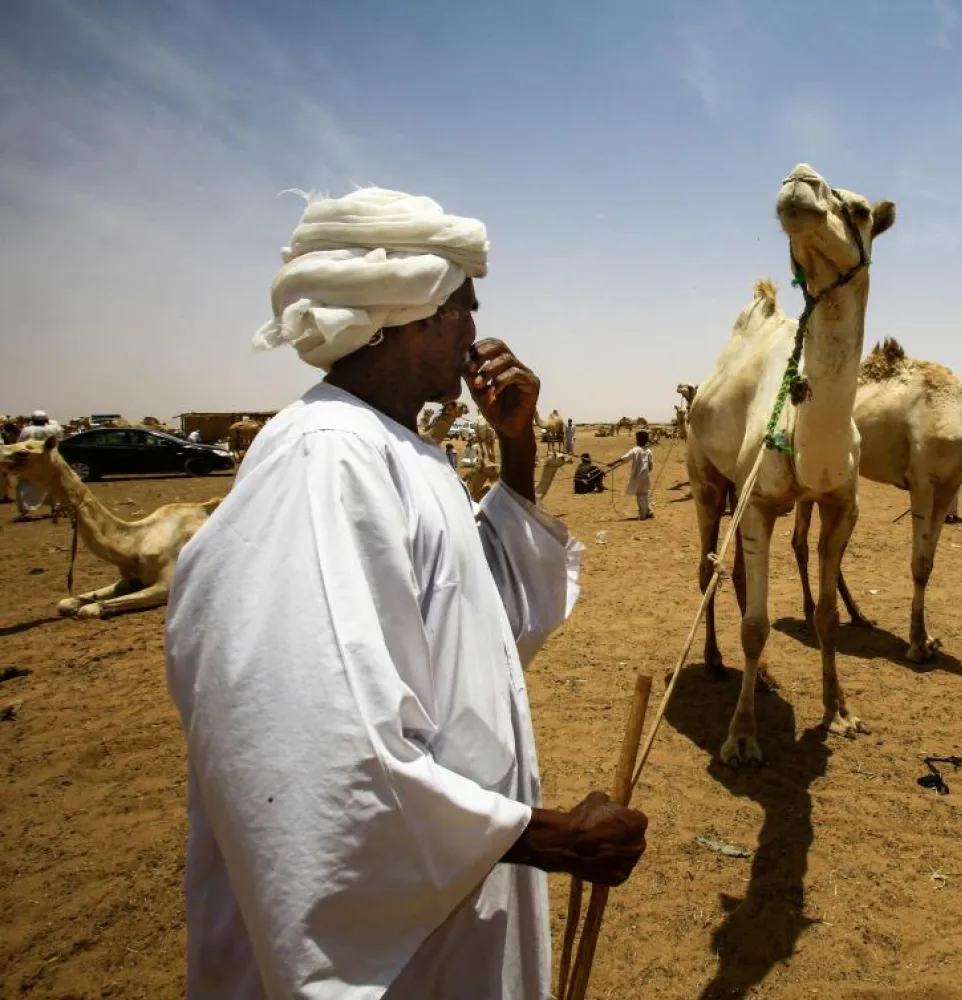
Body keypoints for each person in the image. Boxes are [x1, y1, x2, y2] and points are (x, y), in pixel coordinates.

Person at [163, 187, 646, 1000]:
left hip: (446, 907)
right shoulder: (325, 460)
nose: (475, 327)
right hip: (385, 948)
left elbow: (480, 619)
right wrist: (547, 837)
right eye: (462, 306)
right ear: (409, 315)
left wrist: (516, 447)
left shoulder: (403, 452)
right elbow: (314, 753)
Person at [16, 410, 62, 518]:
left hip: (32, 462)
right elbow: (59, 440)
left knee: (25, 486)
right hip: (50, 460)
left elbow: (20, 445)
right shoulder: (54, 429)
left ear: (32, 420)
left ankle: (25, 511)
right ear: (46, 419)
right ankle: (55, 508)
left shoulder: (26, 430)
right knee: (53, 485)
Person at [607, 430, 654, 519]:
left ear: (640, 440)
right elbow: (651, 465)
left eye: (637, 439)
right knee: (645, 494)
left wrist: (613, 463)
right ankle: (649, 511)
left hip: (637, 476)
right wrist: (647, 472)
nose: (636, 441)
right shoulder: (648, 451)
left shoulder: (635, 450)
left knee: (640, 495)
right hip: (646, 475)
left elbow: (625, 458)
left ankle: (643, 514)